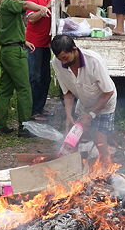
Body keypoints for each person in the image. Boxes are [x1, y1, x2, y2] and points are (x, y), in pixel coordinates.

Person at [25, 0, 86, 120]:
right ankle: (32, 111)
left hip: (47, 43)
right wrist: (45, 8)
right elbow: (31, 19)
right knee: (35, 77)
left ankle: (40, 107)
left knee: (45, 77)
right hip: (34, 44)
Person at [0, 0, 51, 137]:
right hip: (13, 53)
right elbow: (26, 5)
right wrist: (41, 7)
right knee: (24, 89)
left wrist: (24, 41)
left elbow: (11, 28)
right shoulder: (9, 3)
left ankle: (0, 125)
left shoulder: (9, 4)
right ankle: (25, 127)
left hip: (9, 48)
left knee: (5, 89)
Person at [50, 35, 117, 163]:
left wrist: (91, 115)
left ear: (74, 50)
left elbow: (108, 92)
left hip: (105, 102)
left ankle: (106, 172)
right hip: (84, 102)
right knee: (72, 139)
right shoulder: (57, 62)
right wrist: (68, 115)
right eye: (60, 59)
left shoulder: (94, 61)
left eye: (65, 58)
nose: (63, 62)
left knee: (99, 141)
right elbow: (67, 92)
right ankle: (73, 169)